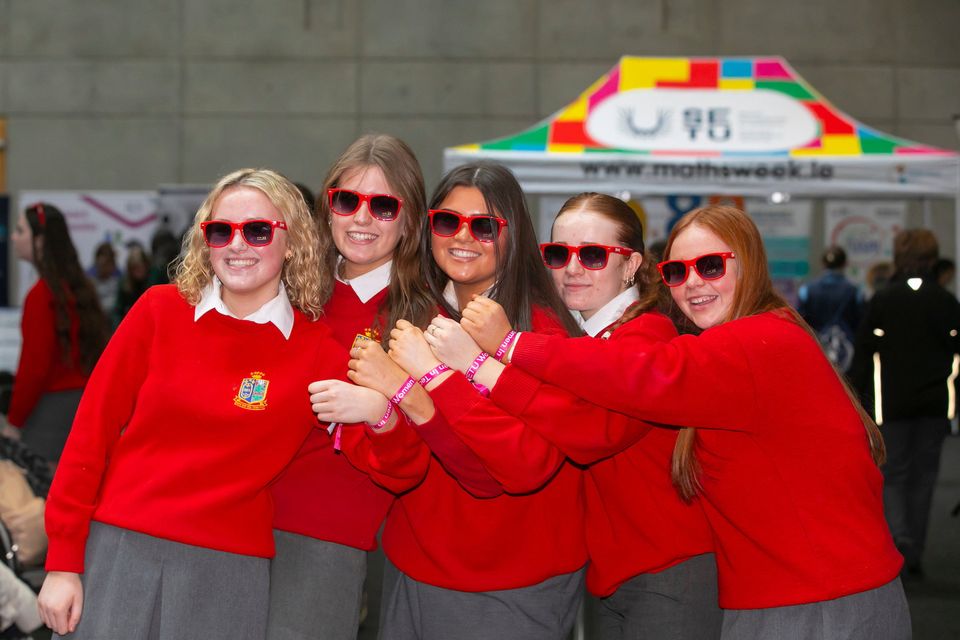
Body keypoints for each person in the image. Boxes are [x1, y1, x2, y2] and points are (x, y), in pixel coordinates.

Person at [478, 205, 908, 639]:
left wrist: (509, 347)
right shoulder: (757, 336)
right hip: (788, 593)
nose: (693, 283)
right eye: (678, 271)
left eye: (710, 265)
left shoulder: (755, 341)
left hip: (818, 600)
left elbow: (642, 377)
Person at [35, 168, 372, 639]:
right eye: (220, 231)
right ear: (204, 239)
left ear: (293, 242)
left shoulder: (318, 352)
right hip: (119, 553)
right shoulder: (157, 311)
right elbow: (89, 437)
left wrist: (384, 412)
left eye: (257, 231)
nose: (237, 245)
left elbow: (396, 465)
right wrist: (63, 562)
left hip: (227, 577)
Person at [312, 162, 588, 640]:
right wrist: (382, 418)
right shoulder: (406, 319)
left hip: (516, 577)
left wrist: (421, 388)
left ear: (513, 233)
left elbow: (519, 466)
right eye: (447, 221)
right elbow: (394, 461)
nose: (463, 237)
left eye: (484, 225)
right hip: (415, 565)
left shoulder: (540, 332)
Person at [449, 193, 722, 639]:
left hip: (670, 571)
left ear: (631, 265)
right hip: (617, 576)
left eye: (593, 255)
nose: (572, 268)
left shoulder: (648, 334)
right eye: (559, 254)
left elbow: (592, 430)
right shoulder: (574, 338)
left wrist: (485, 364)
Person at [266, 134, 435, 640]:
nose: (361, 218)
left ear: (408, 222)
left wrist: (379, 411)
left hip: (326, 534)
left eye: (382, 206)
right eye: (347, 201)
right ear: (328, 207)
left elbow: (417, 456)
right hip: (235, 517)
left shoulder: (423, 319)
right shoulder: (287, 286)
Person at [851, 229, 960, 579]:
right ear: (932, 256)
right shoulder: (945, 301)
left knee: (894, 475)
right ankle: (915, 549)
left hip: (891, 406)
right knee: (924, 478)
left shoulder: (883, 301)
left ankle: (900, 540)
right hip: (934, 406)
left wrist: (859, 404)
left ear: (898, 255)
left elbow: (862, 356)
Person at [0, 204, 109, 463]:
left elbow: (34, 368)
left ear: (39, 241)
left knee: (40, 494)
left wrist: (14, 421)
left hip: (51, 413)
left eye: (20, 231)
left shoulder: (41, 295)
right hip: (84, 406)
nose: (13, 237)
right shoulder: (77, 288)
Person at [797, 245, 863, 372]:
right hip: (847, 353)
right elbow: (860, 323)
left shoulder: (807, 290)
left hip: (817, 349)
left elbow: (801, 322)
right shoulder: (855, 291)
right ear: (845, 264)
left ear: (823, 264)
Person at [113, 242, 151, 324]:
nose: (138, 271)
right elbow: (117, 311)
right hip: (131, 322)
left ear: (146, 265)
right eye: (134, 268)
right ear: (130, 269)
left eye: (140, 267)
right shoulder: (124, 284)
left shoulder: (154, 281)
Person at [87, 242, 121, 320]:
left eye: (108, 263)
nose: (104, 267)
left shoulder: (119, 280)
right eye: (102, 263)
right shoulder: (89, 280)